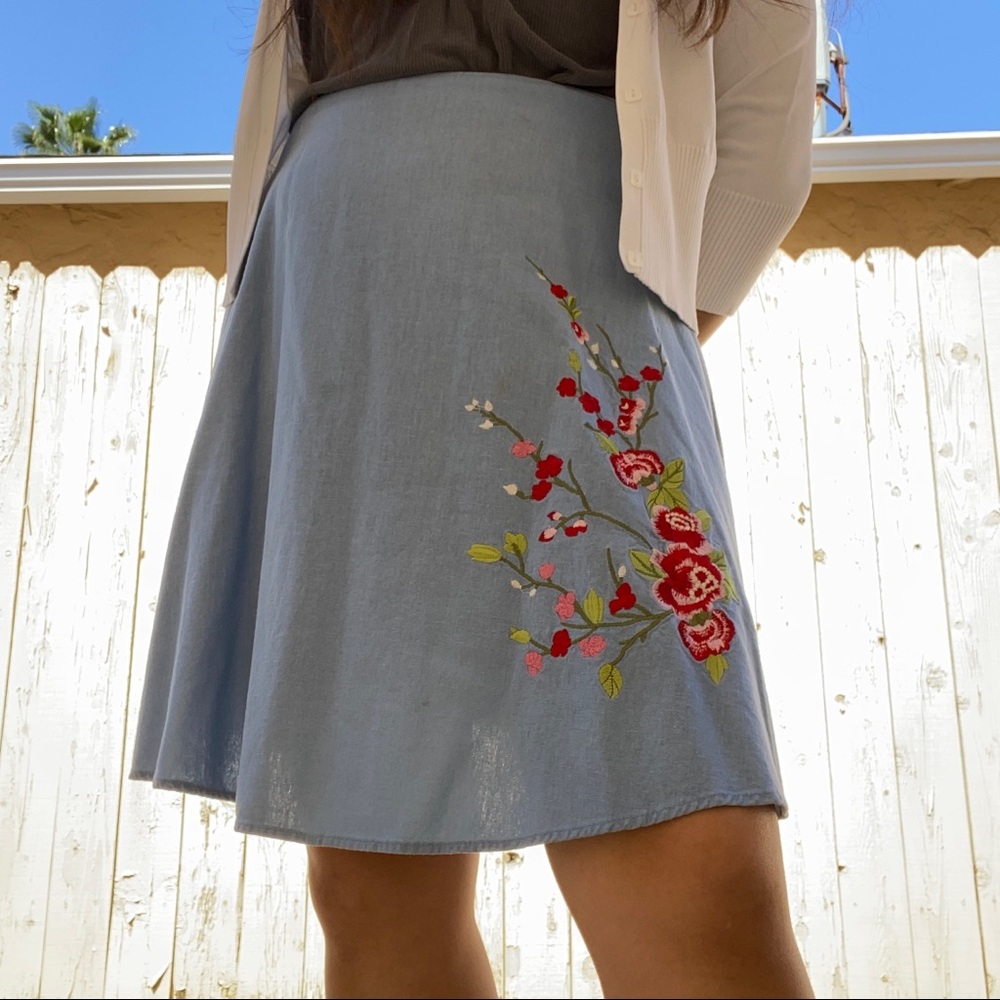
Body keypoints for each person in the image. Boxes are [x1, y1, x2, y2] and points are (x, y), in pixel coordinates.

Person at [131, 1, 818, 996]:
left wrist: (630, 335)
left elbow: (760, 135)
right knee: (372, 875)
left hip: (581, 280)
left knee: (690, 847)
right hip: (341, 307)